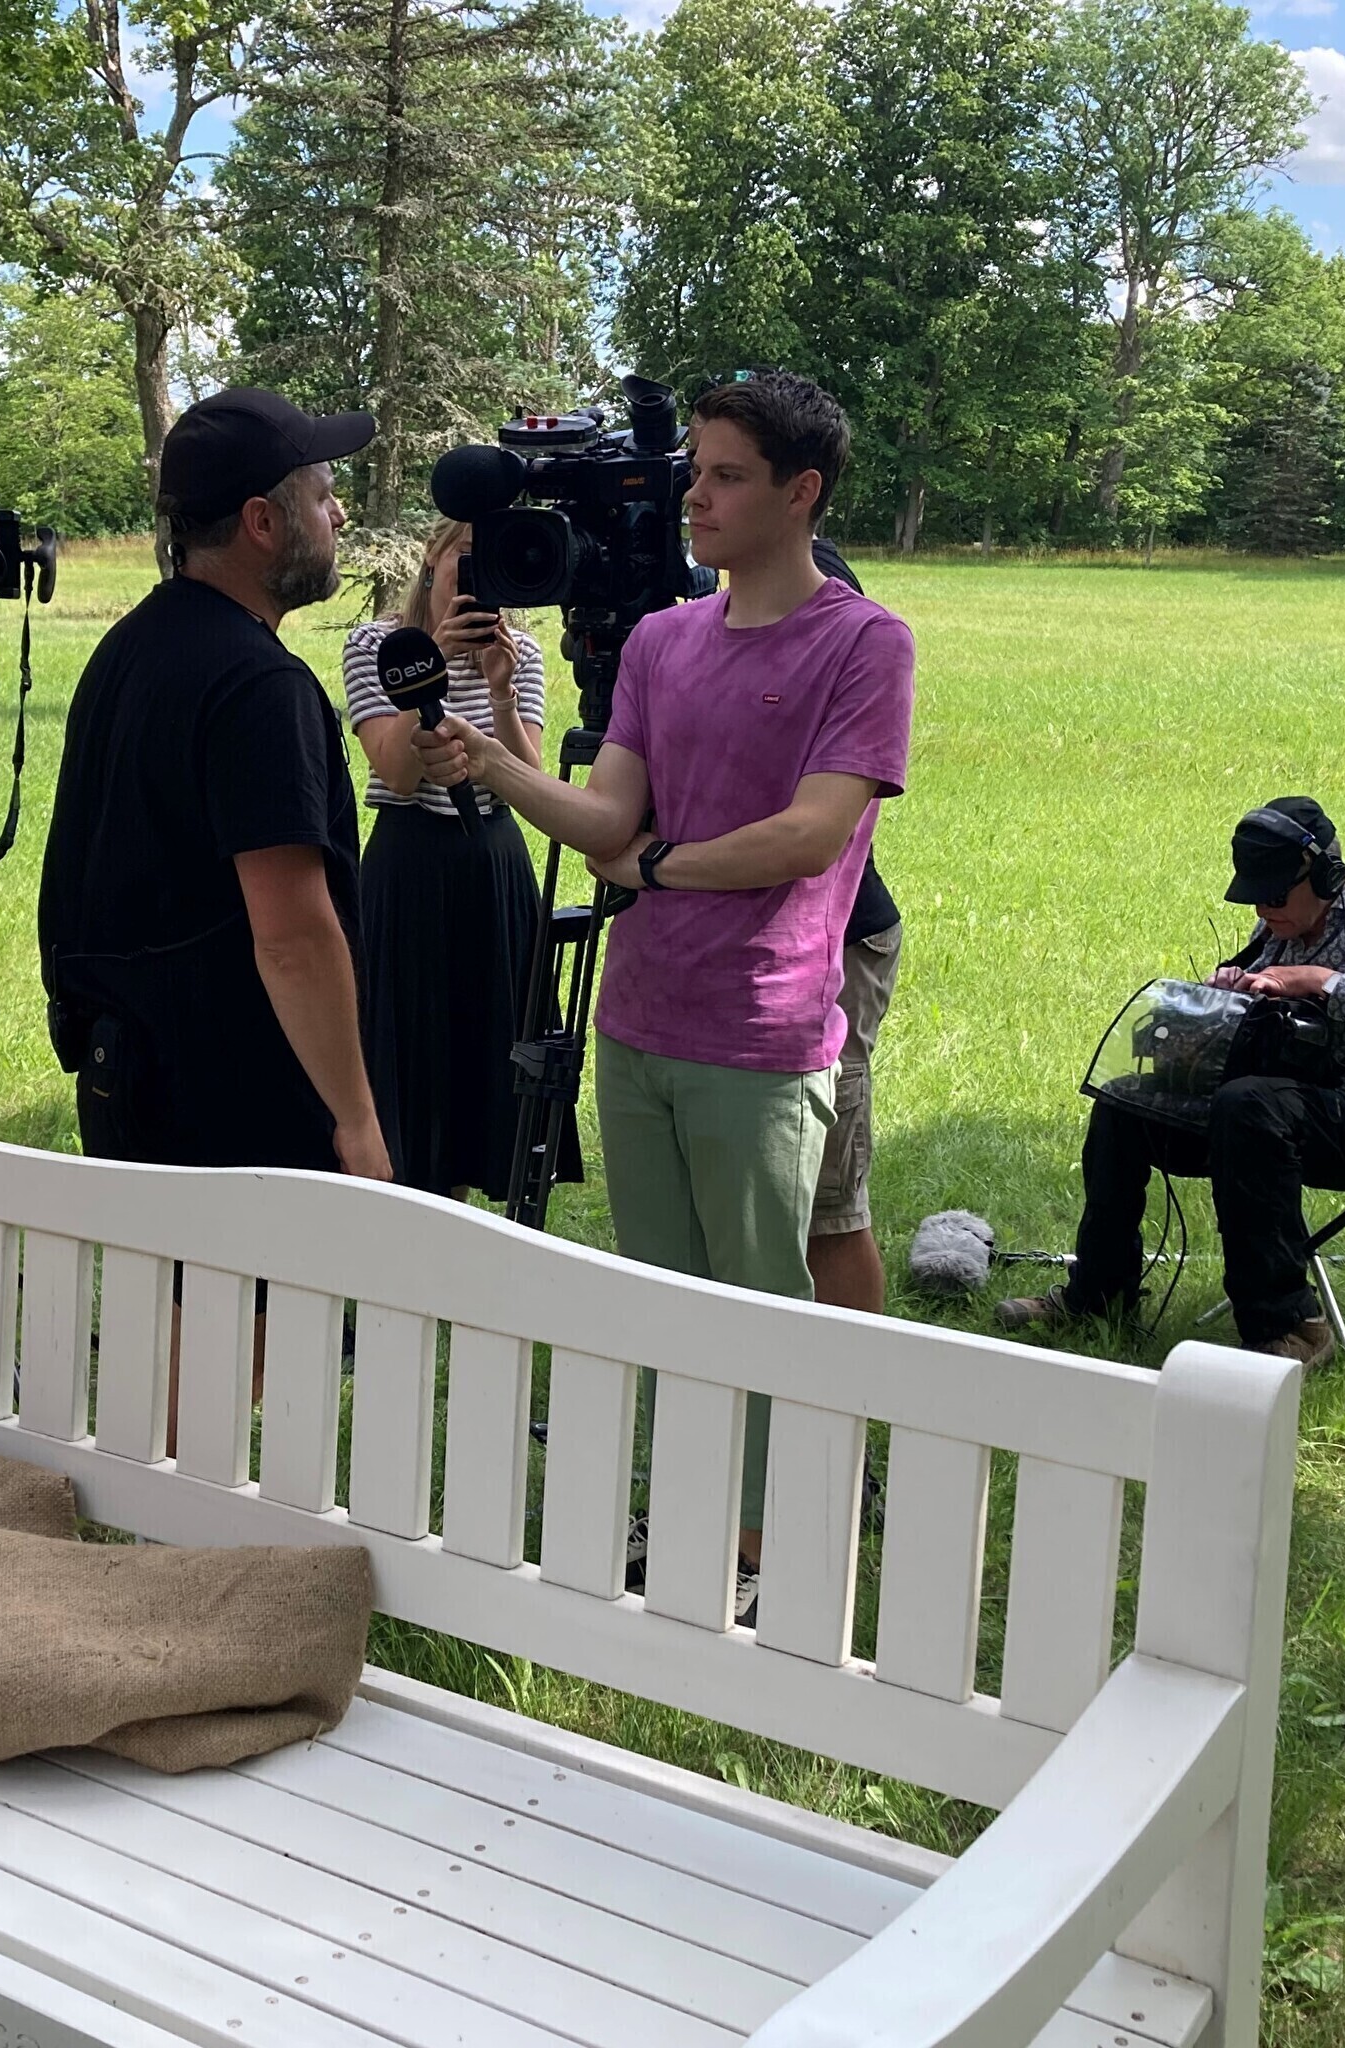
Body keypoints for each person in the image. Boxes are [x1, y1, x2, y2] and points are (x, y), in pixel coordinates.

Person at [414, 371, 916, 1619]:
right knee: (665, 1301)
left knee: (760, 1304)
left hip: (761, 1029)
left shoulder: (863, 641)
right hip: (635, 1024)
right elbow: (603, 823)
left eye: (727, 474)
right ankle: (689, 1509)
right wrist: (489, 754)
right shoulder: (657, 642)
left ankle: (767, 1542)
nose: (695, 494)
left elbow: (809, 834)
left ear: (800, 492)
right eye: (695, 468)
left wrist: (657, 868)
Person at [39, 387, 390, 1181]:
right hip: (241, 1117)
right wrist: (357, 1119)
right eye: (324, 498)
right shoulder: (259, 686)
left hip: (128, 1083)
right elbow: (293, 939)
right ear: (263, 522)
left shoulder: (128, 647)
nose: (339, 517)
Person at [997, 797, 1345, 1368]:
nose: (1263, 909)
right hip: (1269, 1112)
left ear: (1324, 876)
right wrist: (1230, 993)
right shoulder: (1279, 923)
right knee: (1126, 1101)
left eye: (1275, 896)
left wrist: (1323, 981)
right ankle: (1098, 1296)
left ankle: (1289, 1325)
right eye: (1255, 897)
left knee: (1248, 1103)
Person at [341, 520, 573, 1200]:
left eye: (489, 563)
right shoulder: (376, 645)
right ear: (431, 559)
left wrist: (501, 691)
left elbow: (529, 782)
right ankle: (401, 1198)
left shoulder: (520, 654)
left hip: (491, 860)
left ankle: (468, 1204)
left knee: (489, 1048)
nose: (473, 577)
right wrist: (430, 666)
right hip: (409, 860)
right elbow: (396, 770)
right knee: (406, 1045)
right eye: (464, 558)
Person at [805, 535, 903, 1316]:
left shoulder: (814, 575)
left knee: (829, 1198)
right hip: (756, 940)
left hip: (840, 936)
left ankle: (852, 1378)